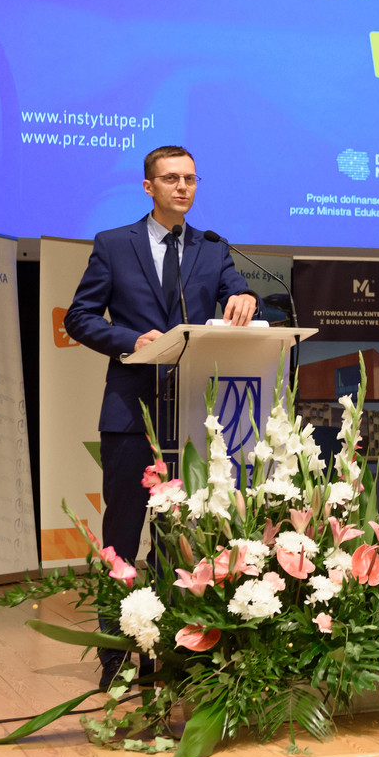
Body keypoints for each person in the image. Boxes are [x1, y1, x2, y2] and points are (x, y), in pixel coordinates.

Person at [64, 145, 255, 685]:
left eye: (190, 178)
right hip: (132, 410)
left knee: (184, 540)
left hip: (192, 414)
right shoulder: (113, 244)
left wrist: (245, 299)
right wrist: (131, 340)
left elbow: (236, 295)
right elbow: (80, 316)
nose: (183, 187)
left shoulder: (212, 248)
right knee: (123, 535)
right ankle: (116, 655)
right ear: (148, 186)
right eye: (171, 178)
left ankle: (180, 652)